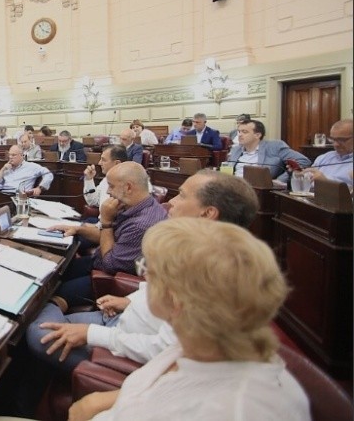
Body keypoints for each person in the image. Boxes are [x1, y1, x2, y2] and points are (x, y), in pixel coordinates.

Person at [69, 218, 309, 421]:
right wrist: (95, 403)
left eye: (149, 270)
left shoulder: (234, 410)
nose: (145, 278)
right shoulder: (200, 342)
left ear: (175, 300)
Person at [28, 171, 261, 374]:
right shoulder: (196, 249)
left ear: (208, 213)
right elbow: (161, 291)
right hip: (123, 319)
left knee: (37, 328)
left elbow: (167, 349)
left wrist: (91, 335)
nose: (171, 202)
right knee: (39, 311)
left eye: (181, 195)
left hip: (126, 343)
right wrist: (128, 301)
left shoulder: (215, 272)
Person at [53, 162, 168, 310]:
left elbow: (109, 265)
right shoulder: (138, 205)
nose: (108, 191)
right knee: (57, 270)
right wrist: (78, 229)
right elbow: (109, 237)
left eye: (111, 186)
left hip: (109, 278)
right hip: (98, 260)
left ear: (128, 187)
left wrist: (106, 221)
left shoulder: (141, 225)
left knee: (54, 291)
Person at [228, 119, 310, 183]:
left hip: (260, 190)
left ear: (257, 135)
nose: (239, 135)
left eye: (244, 132)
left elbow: (303, 161)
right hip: (235, 186)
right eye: (239, 131)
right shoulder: (236, 150)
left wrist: (280, 180)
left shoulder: (274, 147)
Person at [305, 119, 353, 189]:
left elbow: (350, 192)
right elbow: (307, 179)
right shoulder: (324, 157)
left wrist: (326, 183)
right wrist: (298, 174)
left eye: (342, 140)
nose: (336, 144)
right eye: (333, 139)